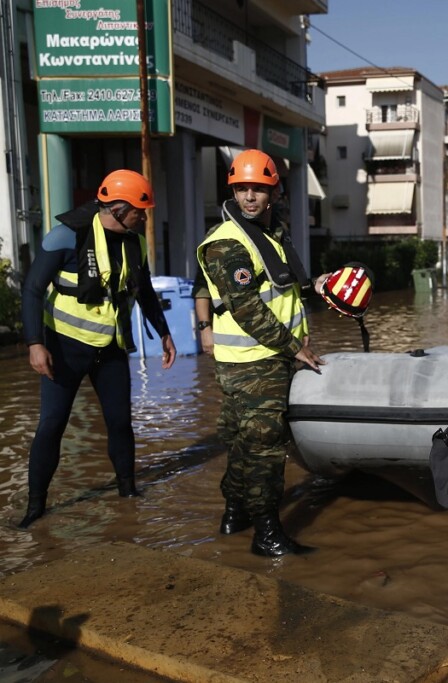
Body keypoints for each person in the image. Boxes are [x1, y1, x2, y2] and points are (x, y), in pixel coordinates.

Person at [18, 169, 177, 528]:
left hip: (111, 349)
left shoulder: (135, 243)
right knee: (52, 425)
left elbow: (146, 291)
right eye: (141, 210)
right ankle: (35, 508)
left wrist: (164, 333)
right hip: (63, 348)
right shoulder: (66, 236)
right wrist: (34, 344)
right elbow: (31, 289)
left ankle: (128, 494)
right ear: (119, 208)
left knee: (120, 422)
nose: (145, 217)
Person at [197, 149, 325, 557]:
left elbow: (286, 290)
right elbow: (247, 307)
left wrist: (318, 287)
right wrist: (294, 348)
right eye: (242, 189)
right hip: (254, 360)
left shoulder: (272, 233)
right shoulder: (226, 244)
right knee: (266, 447)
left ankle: (234, 514)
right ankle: (267, 534)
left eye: (258, 188)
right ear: (232, 190)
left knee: (242, 442)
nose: (250, 196)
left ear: (274, 191)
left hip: (266, 357)